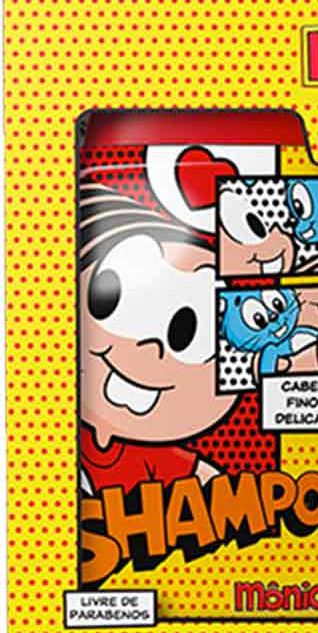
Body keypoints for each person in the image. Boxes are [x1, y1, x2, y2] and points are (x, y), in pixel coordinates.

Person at [77, 184, 237, 494]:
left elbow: (208, 478)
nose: (150, 348)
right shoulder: (59, 434)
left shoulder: (154, 456)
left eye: (186, 336)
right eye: (116, 305)